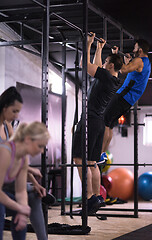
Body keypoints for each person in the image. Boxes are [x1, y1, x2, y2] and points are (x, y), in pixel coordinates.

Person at [73, 33, 123, 215]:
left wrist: (88, 44)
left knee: (80, 160)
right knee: (92, 162)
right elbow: (96, 65)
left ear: (110, 65)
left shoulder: (106, 77)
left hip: (90, 121)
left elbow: (85, 66)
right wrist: (100, 49)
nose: (103, 64)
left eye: (106, 61)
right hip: (98, 123)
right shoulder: (113, 79)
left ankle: (88, 200)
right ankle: (96, 197)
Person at [0, 87, 49, 240]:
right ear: (4, 107)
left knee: (32, 196)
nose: (16, 116)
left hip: (7, 179)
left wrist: (35, 183)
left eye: (18, 112)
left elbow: (18, 154)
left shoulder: (7, 126)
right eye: (14, 111)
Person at [103, 39, 151, 151]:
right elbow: (131, 72)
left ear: (139, 50)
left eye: (135, 48)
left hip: (123, 96)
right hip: (128, 100)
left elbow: (123, 70)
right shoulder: (146, 63)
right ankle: (102, 153)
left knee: (104, 121)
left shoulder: (140, 60)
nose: (133, 50)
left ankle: (99, 153)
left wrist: (115, 56)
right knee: (109, 125)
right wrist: (127, 61)